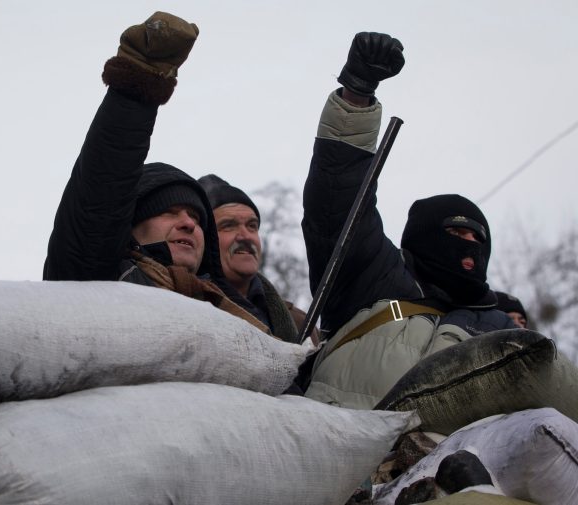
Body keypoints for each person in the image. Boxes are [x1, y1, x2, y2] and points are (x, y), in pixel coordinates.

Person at [301, 32, 516, 409]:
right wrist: (356, 93)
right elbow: (337, 196)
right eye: (455, 232)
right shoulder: (370, 277)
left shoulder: (501, 327)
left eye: (476, 238)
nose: (467, 245)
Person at [43, 12, 270, 334]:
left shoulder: (237, 315)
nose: (189, 223)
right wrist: (138, 84)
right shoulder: (97, 279)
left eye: (196, 217)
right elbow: (102, 190)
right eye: (168, 212)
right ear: (131, 228)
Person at [198, 174, 319, 344]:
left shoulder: (302, 324)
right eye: (228, 226)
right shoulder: (185, 306)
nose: (246, 236)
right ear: (203, 239)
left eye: (252, 226)